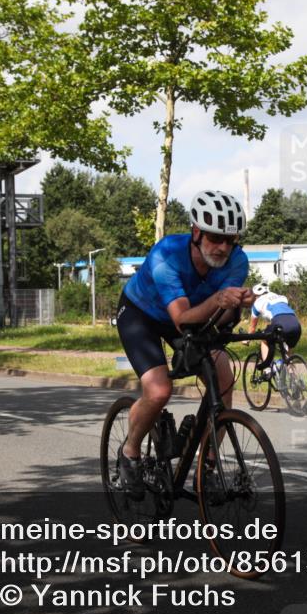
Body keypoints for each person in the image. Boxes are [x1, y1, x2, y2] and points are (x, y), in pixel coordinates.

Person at [115, 189, 253, 488]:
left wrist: (236, 305)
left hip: (195, 317)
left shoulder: (238, 261)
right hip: (143, 315)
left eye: (230, 240)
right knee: (159, 390)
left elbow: (222, 316)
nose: (222, 248)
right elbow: (181, 318)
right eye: (215, 238)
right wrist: (219, 299)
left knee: (223, 376)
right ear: (196, 233)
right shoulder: (167, 254)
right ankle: (130, 452)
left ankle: (209, 467)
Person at [244, 282, 302, 378]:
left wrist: (246, 340)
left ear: (256, 296)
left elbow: (252, 328)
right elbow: (282, 311)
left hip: (279, 322)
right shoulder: (281, 297)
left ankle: (267, 370)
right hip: (296, 324)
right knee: (287, 350)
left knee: (264, 340)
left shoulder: (257, 303)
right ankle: (294, 377)